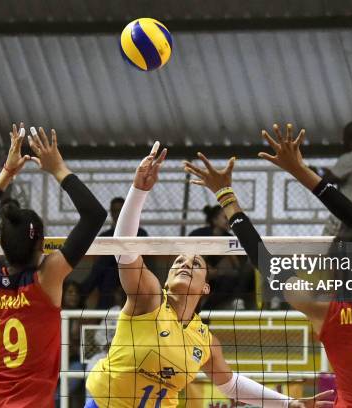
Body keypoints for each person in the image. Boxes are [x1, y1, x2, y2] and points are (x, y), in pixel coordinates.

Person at [184, 123, 352, 408]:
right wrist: (299, 169)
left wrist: (226, 194)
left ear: (335, 274)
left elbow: (263, 259)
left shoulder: (325, 312)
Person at [85, 142, 333, 408]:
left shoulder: (204, 339)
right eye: (179, 261)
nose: (184, 264)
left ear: (206, 288)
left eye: (196, 264)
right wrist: (139, 191)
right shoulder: (149, 300)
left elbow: (230, 384)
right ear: (166, 281)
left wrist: (290, 404)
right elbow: (124, 248)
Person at [0, 124, 107, 407]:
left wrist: (7, 173)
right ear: (41, 244)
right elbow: (94, 215)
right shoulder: (47, 279)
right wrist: (58, 169)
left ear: (3, 245)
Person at [84, 197, 148, 309]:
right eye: (115, 210)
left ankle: (83, 290)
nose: (118, 214)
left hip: (134, 276)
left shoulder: (141, 233)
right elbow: (97, 266)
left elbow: (146, 262)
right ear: (111, 213)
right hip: (108, 281)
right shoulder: (104, 236)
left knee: (112, 260)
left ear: (127, 212)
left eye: (121, 210)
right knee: (109, 275)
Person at [189, 205, 255, 309]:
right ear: (215, 219)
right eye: (225, 217)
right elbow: (189, 258)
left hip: (218, 278)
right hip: (197, 273)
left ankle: (207, 310)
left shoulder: (229, 238)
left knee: (235, 277)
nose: (228, 220)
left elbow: (237, 267)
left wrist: (228, 252)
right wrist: (206, 269)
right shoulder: (198, 234)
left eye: (230, 218)